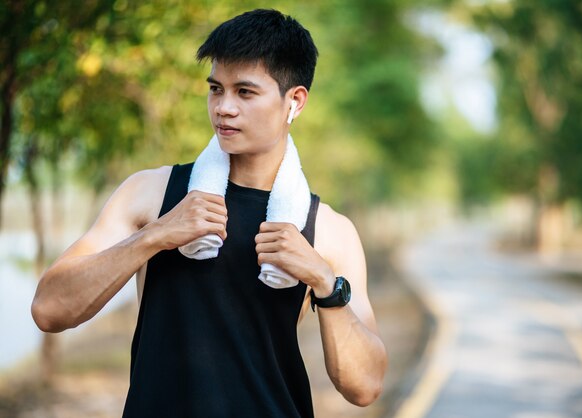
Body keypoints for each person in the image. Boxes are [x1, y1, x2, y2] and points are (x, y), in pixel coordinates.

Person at [31, 8, 387, 417]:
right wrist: (155, 236)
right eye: (216, 89)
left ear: (295, 101)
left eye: (245, 92)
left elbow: (366, 386)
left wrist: (325, 281)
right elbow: (49, 309)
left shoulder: (326, 230)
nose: (224, 108)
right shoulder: (153, 193)